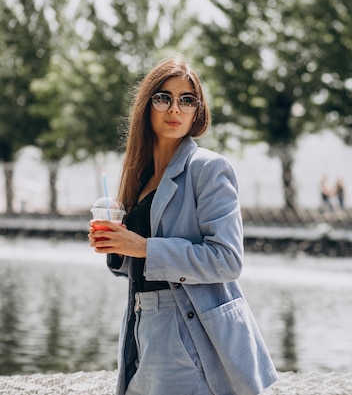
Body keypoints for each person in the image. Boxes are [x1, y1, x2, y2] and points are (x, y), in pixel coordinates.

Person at [88, 54, 278, 395]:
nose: (175, 109)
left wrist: (143, 247)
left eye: (186, 100)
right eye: (163, 98)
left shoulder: (208, 169)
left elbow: (227, 260)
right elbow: (137, 270)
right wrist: (116, 249)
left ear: (197, 111)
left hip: (184, 328)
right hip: (140, 325)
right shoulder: (139, 177)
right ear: (147, 106)